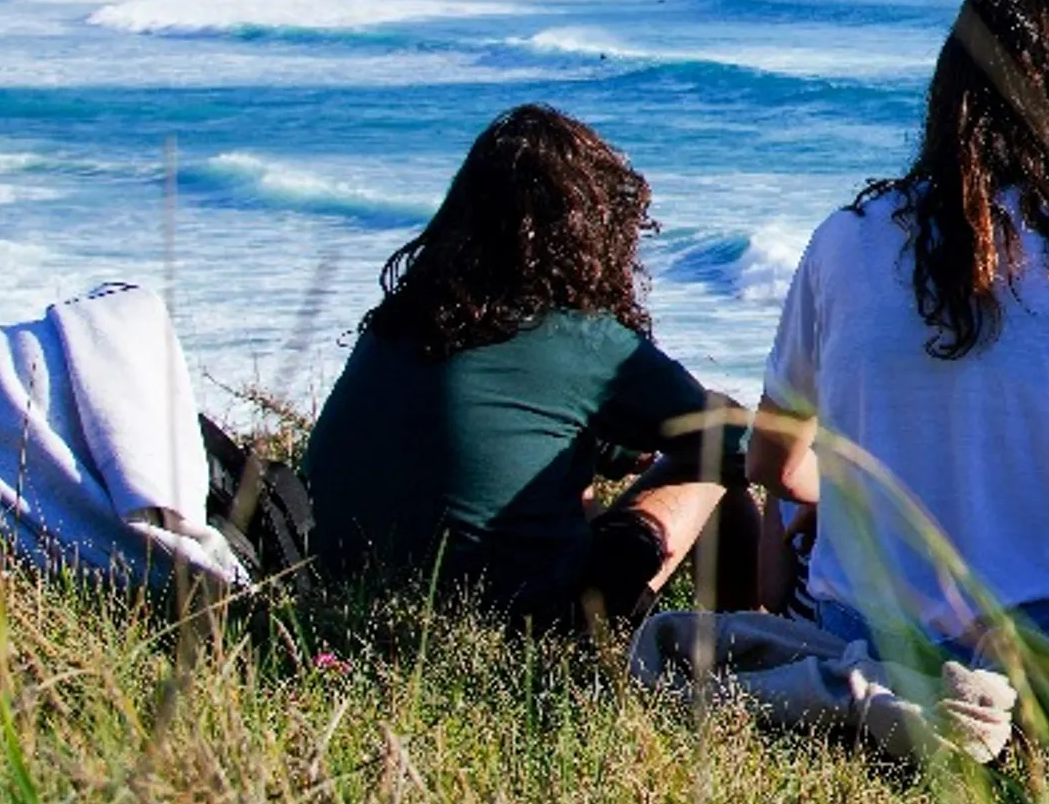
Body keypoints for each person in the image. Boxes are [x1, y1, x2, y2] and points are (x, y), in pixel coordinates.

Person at [747, 0, 1049, 676]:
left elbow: (771, 464)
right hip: (1042, 644)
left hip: (862, 635)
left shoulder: (842, 242)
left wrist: (850, 504)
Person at [307, 106, 743, 627]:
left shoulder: (399, 322)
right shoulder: (579, 337)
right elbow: (745, 447)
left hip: (347, 599)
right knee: (714, 456)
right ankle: (750, 641)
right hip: (519, 624)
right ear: (590, 227)